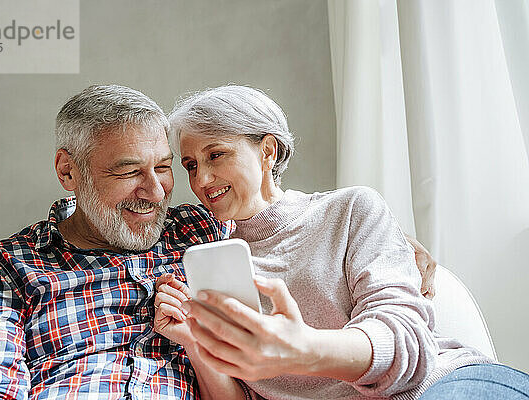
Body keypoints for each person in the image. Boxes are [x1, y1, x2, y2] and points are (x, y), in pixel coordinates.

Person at [0, 84, 436, 400]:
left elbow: (286, 219)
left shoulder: (201, 232)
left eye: (166, 169)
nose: (156, 192)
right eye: (129, 172)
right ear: (69, 170)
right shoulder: (5, 268)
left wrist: (393, 241)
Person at [154, 85, 529, 399]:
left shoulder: (350, 209)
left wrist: (303, 349)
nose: (201, 179)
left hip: (441, 386)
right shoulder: (211, 263)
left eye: (216, 155)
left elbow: (406, 346)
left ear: (267, 151)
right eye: (190, 165)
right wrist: (194, 341)